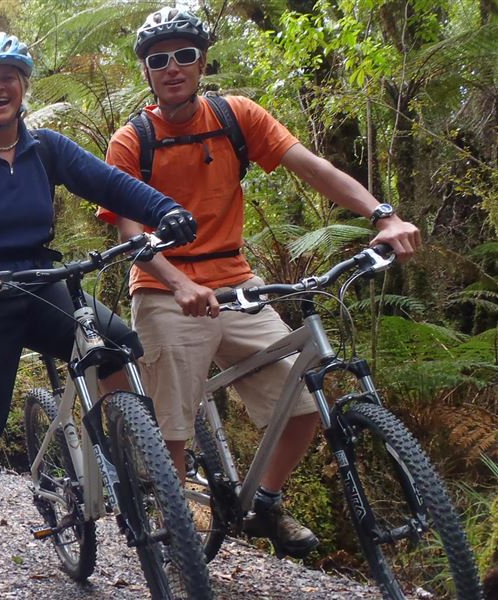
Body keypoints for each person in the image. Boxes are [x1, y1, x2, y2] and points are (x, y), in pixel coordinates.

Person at [97, 7, 423, 560]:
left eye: (184, 55)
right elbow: (131, 236)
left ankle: (265, 503)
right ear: (147, 73)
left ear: (202, 62)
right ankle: (177, 535)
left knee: (302, 399)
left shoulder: (237, 116)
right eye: (159, 60)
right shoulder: (132, 141)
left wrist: (381, 215)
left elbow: (312, 166)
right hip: (163, 287)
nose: (173, 67)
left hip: (237, 281)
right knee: (171, 425)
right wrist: (176, 284)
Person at [0, 32, 197, 600]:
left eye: (8, 76)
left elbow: (113, 184)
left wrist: (165, 210)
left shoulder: (48, 148)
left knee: (120, 343)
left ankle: (129, 453)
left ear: (24, 85)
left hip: (44, 282)